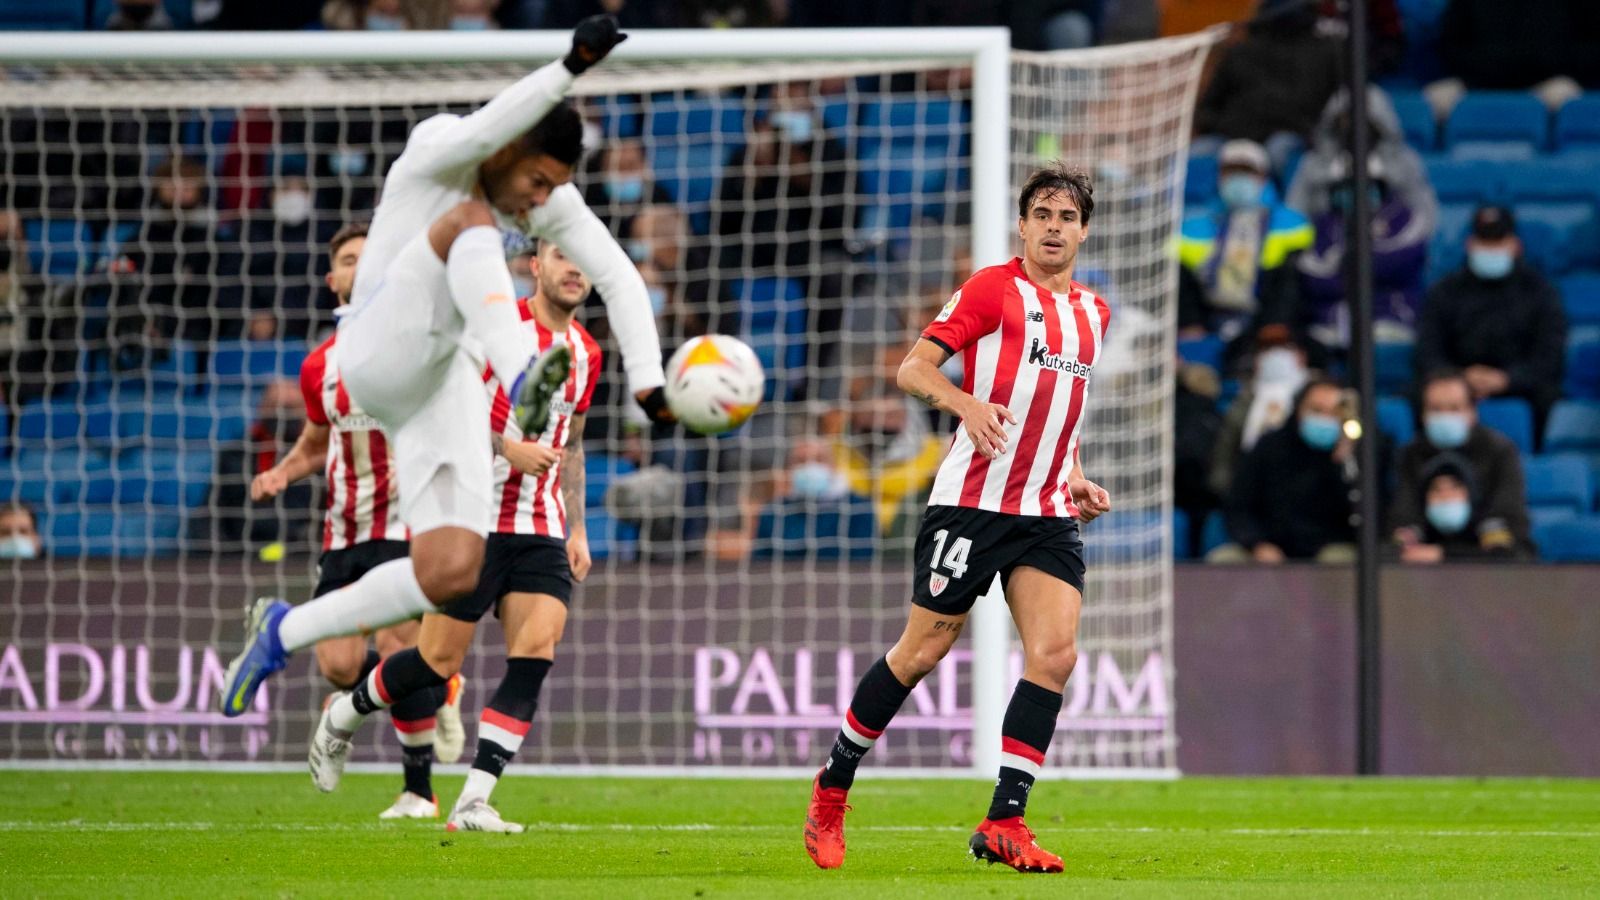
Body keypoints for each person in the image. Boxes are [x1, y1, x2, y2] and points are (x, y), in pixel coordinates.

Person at [220, 16, 669, 718]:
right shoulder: (440, 149)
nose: (541, 201)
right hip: (376, 348)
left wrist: (652, 384)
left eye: (555, 188)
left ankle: (282, 632)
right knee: (470, 223)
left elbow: (617, 273)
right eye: (538, 179)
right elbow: (492, 124)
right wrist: (570, 66)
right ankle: (525, 373)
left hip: (442, 382)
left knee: (448, 570)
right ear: (510, 147)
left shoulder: (543, 198)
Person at [803, 163, 1111, 874]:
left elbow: (1057, 411)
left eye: (1067, 217)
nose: (1054, 227)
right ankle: (832, 786)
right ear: (1023, 224)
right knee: (921, 653)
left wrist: (1074, 475)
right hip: (972, 503)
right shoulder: (993, 290)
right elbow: (913, 368)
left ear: (1084, 230)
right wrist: (965, 404)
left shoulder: (1093, 313)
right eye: (1042, 214)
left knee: (1056, 654)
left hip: (1044, 511)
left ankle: (1005, 821)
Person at [306, 241, 602, 833]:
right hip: (472, 516)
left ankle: (473, 801)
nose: (575, 267)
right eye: (560, 255)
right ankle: (344, 712)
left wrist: (578, 528)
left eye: (585, 260)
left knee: (535, 654)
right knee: (438, 661)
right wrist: (505, 447)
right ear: (535, 266)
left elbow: (572, 443)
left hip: (539, 526)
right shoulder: (494, 331)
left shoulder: (587, 352)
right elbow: (444, 409)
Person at [248, 222, 468, 818]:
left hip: (406, 527)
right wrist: (283, 473)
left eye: (370, 258)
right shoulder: (320, 365)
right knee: (340, 666)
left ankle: (418, 792)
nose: (359, 266)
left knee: (400, 643)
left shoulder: (413, 347)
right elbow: (317, 441)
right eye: (348, 258)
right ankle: (439, 684)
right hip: (343, 530)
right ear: (333, 278)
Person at [1289, 88, 1435, 347]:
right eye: (1346, 119)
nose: (1355, 128)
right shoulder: (1314, 165)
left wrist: (1361, 260)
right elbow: (1297, 222)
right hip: (1329, 301)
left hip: (1387, 302)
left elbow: (1423, 224)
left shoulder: (1404, 164)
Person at [1414, 205, 1567, 436]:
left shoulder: (1540, 292)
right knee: (1414, 396)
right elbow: (1427, 350)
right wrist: (1459, 378)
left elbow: (1550, 357)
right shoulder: (1445, 291)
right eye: (1484, 242)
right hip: (1454, 381)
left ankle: (1535, 463)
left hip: (1519, 385)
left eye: (1498, 242)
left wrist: (1507, 379)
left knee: (1550, 398)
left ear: (1515, 245)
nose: (1490, 249)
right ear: (1469, 245)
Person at [1178, 139, 1313, 348]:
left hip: (1263, 314)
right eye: (1230, 172)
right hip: (1210, 315)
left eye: (1247, 172)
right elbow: (1183, 279)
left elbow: (1289, 285)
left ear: (1263, 178)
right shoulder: (1193, 224)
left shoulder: (1292, 222)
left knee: (1291, 272)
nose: (1238, 180)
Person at [1389, 370, 1532, 561]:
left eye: (1454, 409)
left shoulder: (1499, 451)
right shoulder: (1410, 454)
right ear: (1423, 415)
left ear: (1472, 413)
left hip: (1486, 565)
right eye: (1436, 409)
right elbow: (1403, 520)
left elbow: (1507, 526)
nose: (1445, 417)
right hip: (1420, 563)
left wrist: (1445, 556)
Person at [1213, 378, 1357, 563]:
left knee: (1337, 561)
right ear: (1298, 409)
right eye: (1316, 410)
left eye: (1334, 413)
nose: (1324, 419)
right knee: (1225, 560)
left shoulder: (1356, 453)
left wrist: (1344, 463)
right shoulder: (1269, 447)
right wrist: (1257, 543)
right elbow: (1238, 507)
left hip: (1330, 546)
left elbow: (1364, 516)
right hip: (1269, 546)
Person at [1193, 0, 1342, 154]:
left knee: (1282, 148)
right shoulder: (1241, 51)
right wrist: (1223, 126)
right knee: (1199, 153)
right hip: (1232, 137)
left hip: (1287, 138)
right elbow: (1208, 108)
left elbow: (1334, 106)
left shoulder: (1325, 51)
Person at [1393, 454, 1536, 561]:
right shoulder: (1418, 531)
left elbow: (1517, 557)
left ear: (1471, 494)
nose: (1445, 495)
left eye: (1455, 488)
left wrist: (1442, 555)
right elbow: (1385, 553)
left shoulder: (1487, 527)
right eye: (1436, 490)